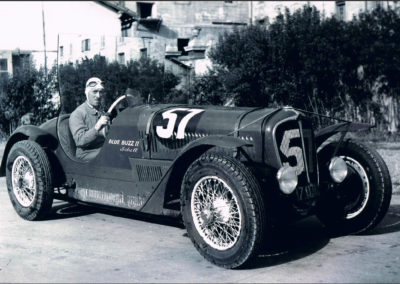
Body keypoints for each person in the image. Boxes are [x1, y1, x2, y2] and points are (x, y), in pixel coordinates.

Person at [69, 77, 110, 161]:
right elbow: (80, 140)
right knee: (113, 154)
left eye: (100, 92)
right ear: (87, 93)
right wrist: (97, 127)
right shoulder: (78, 114)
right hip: (86, 154)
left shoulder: (101, 111)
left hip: (102, 149)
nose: (98, 96)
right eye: (94, 92)